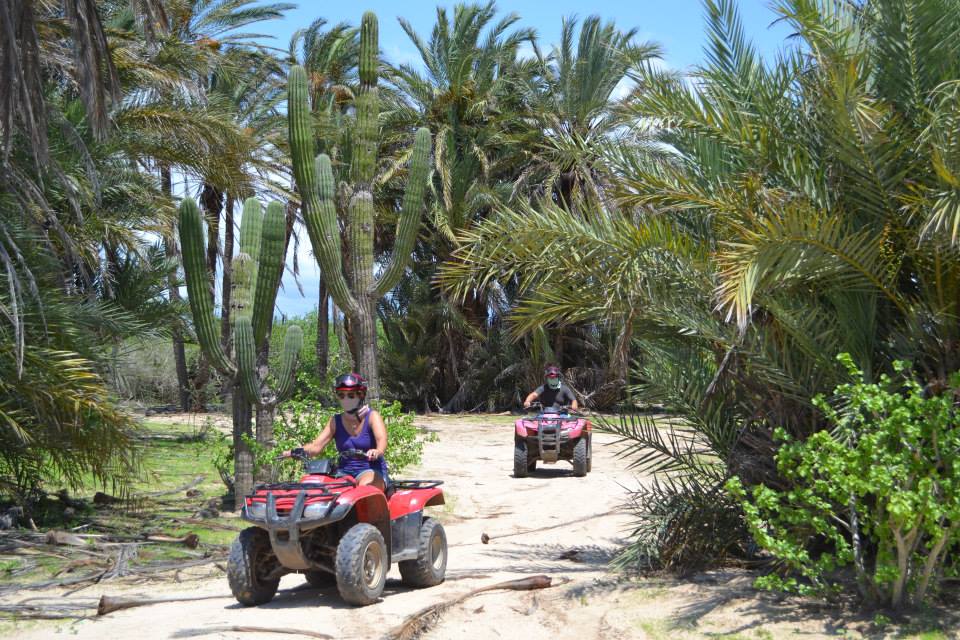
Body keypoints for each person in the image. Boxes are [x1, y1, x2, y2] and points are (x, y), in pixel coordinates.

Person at [281, 373, 388, 491]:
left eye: (350, 395)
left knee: (364, 490)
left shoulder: (372, 416)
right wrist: (294, 452)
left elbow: (381, 440)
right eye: (341, 395)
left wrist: (377, 451)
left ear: (361, 395)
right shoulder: (335, 421)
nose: (345, 399)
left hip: (371, 470)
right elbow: (316, 447)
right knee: (322, 493)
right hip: (343, 473)